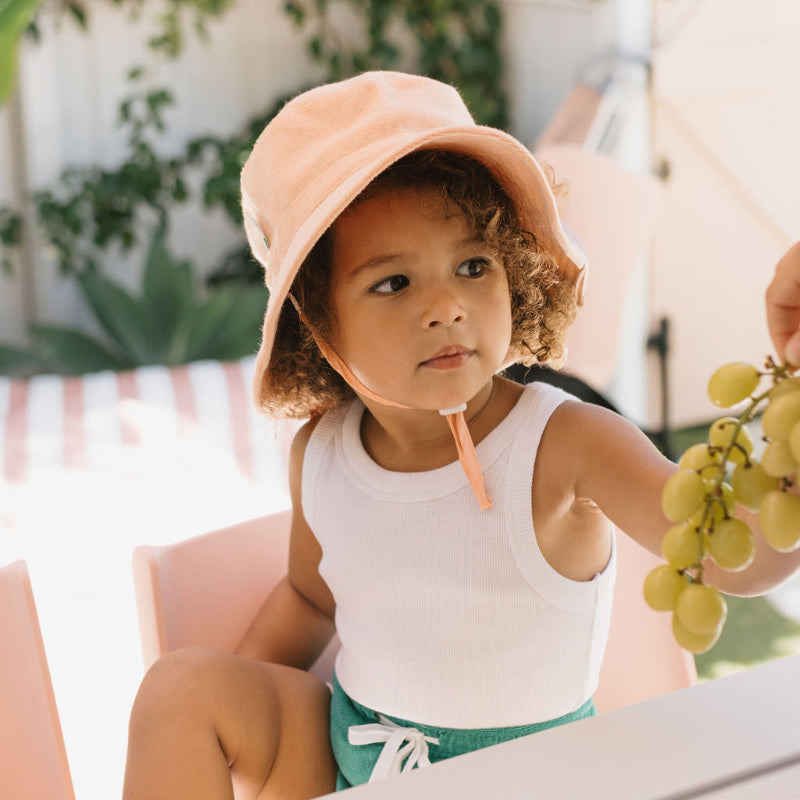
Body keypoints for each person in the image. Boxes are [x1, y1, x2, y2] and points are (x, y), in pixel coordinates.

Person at [123, 71, 800, 799]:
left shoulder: (566, 444)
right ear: (318, 326)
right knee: (181, 686)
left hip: (536, 779)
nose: (447, 306)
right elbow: (312, 596)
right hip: (360, 758)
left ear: (513, 272)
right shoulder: (320, 454)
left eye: (473, 266)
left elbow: (740, 556)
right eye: (393, 283)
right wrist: (249, 693)